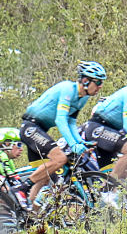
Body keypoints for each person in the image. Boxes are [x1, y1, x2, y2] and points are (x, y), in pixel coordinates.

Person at [22, 61, 107, 204]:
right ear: (85, 81)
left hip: (41, 129)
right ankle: (21, 189)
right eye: (98, 82)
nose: (100, 86)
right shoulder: (68, 89)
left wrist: (80, 142)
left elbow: (71, 121)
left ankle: (29, 214)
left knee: (44, 177)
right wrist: (73, 145)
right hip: (31, 128)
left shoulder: (83, 97)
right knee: (60, 159)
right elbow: (61, 119)